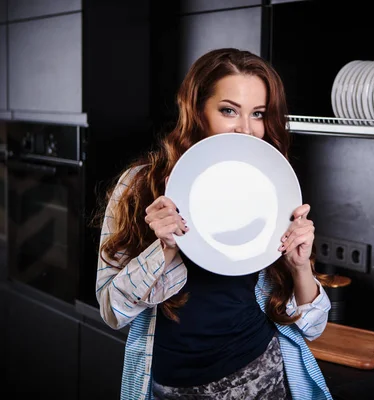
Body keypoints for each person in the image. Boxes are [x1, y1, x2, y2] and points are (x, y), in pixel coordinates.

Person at [94, 48, 333, 400]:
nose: (246, 129)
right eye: (228, 110)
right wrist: (162, 250)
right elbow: (112, 311)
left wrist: (299, 267)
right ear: (197, 111)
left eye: (258, 114)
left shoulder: (272, 189)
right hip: (170, 388)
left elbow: (314, 328)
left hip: (262, 380)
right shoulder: (139, 186)